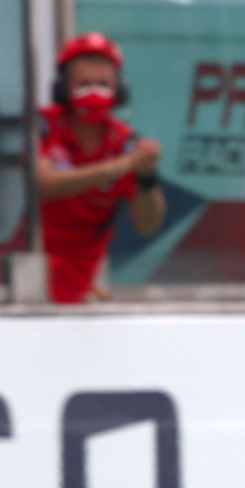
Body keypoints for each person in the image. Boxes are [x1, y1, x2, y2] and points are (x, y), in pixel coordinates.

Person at [36, 33, 165, 303]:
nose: (94, 93)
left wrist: (145, 178)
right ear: (64, 87)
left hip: (77, 274)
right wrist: (117, 167)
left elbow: (147, 224)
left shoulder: (127, 142)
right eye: (84, 84)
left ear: (119, 89)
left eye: (103, 84)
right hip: (28, 259)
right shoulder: (43, 124)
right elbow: (43, 185)